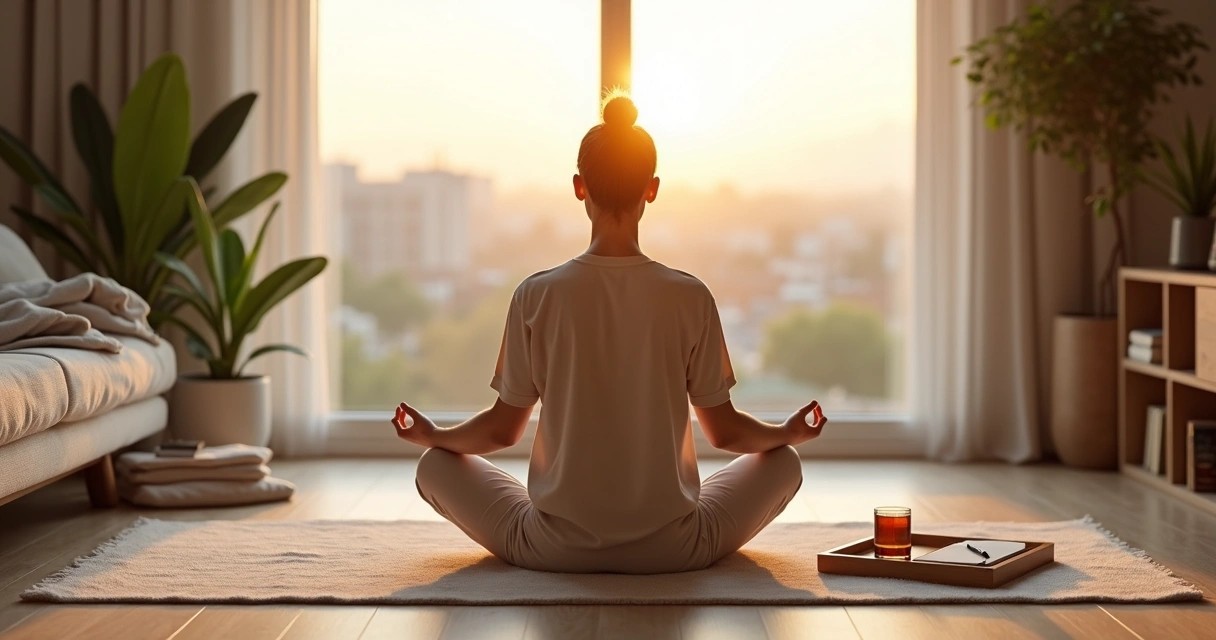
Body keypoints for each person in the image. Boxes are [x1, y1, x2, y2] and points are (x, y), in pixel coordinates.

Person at [392, 94, 828, 574]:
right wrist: (787, 432)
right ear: (653, 189)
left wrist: (435, 434)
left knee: (433, 465)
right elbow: (723, 432)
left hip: (550, 549)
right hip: (677, 549)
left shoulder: (535, 295)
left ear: (580, 187)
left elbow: (502, 430)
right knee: (784, 462)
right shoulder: (690, 296)